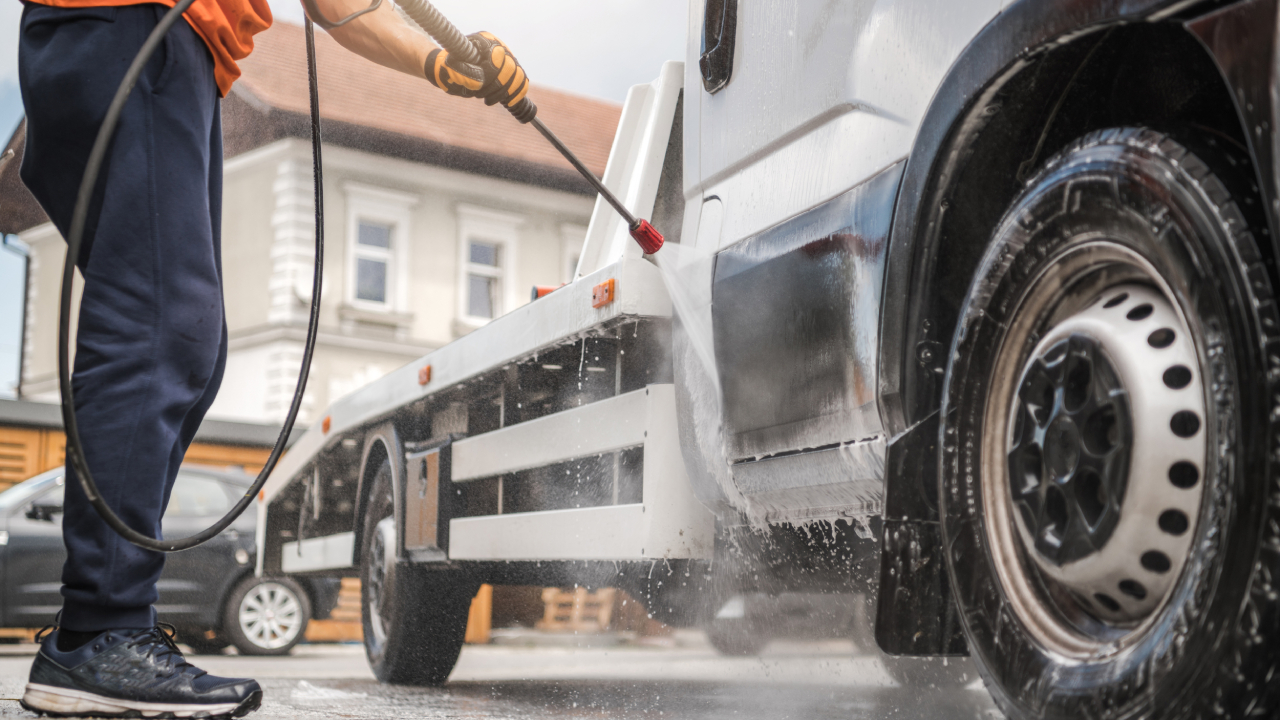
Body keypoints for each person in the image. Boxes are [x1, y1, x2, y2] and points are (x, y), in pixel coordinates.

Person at [16, 0, 528, 714]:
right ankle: (97, 636)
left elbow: (340, 5)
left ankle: (98, 633)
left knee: (187, 344)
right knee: (157, 329)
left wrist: (441, 62)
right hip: (134, 26)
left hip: (162, 51)